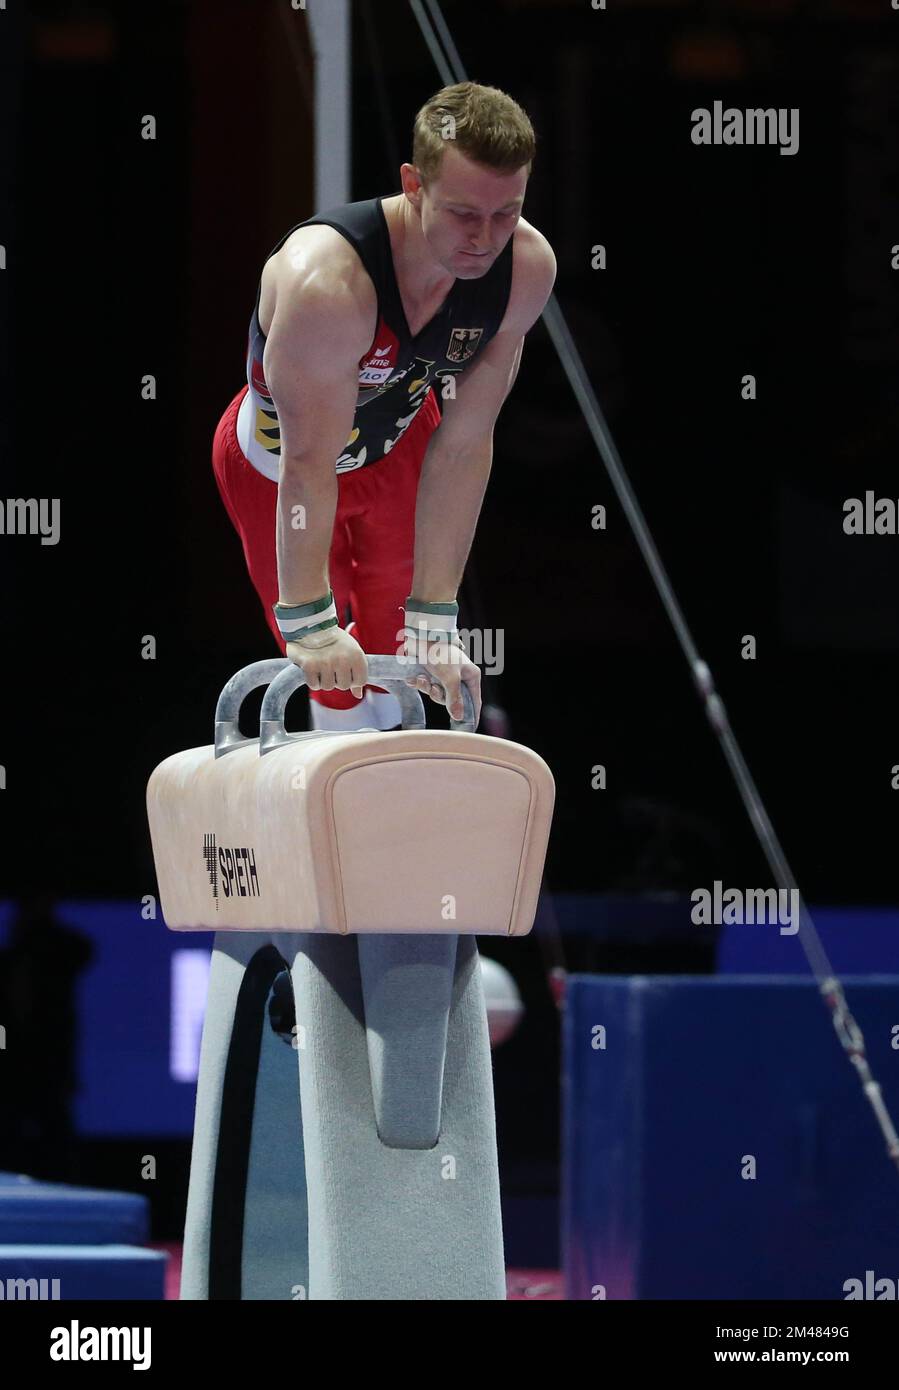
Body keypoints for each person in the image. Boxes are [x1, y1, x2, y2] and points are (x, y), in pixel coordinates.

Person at [212, 81, 556, 732]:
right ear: (413, 184)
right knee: (332, 671)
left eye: (505, 213)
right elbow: (309, 462)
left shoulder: (526, 269)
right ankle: (334, 758)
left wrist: (435, 615)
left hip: (401, 450)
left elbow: (465, 442)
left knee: (408, 647)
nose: (485, 239)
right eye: (463, 214)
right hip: (278, 465)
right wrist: (310, 623)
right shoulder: (328, 284)